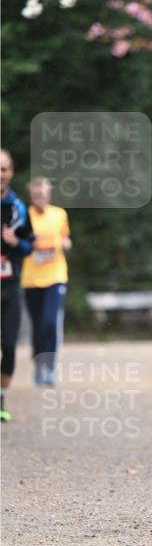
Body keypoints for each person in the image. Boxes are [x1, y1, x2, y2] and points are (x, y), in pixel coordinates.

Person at [20, 177, 71, 385]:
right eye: (35, 195)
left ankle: (49, 368)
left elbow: (66, 238)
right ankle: (38, 365)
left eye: (43, 194)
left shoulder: (59, 214)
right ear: (30, 196)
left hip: (55, 276)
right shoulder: (24, 216)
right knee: (38, 326)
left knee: (50, 323)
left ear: (49, 195)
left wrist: (63, 243)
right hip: (31, 279)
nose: (40, 198)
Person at [1, 149, 35, 421]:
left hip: (10, 285)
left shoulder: (19, 207)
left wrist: (17, 242)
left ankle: (1, 398)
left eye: (5, 169)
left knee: (9, 346)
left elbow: (30, 245)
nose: (1, 175)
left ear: (11, 173)